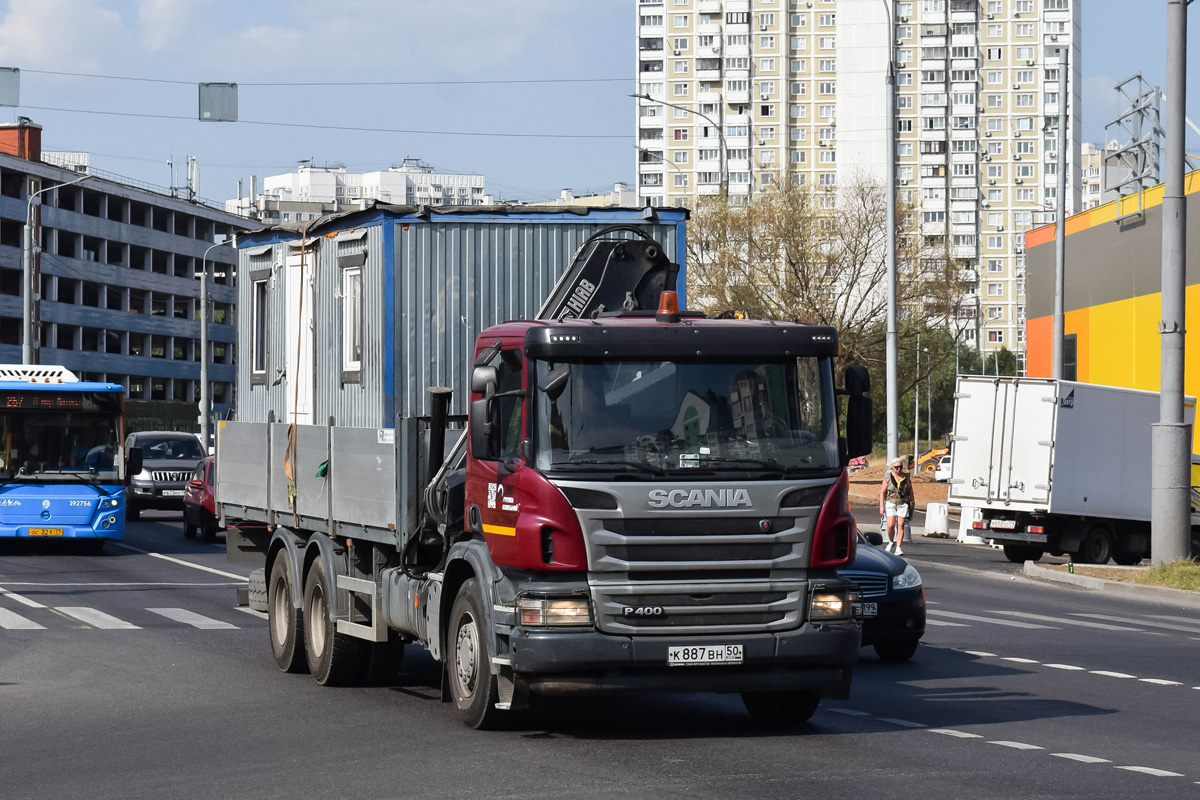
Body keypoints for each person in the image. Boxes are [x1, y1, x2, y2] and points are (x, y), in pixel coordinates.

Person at [879, 457, 914, 556]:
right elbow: (882, 492)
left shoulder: (906, 477)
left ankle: (898, 547)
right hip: (891, 502)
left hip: (903, 503)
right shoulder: (888, 476)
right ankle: (891, 541)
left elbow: (910, 490)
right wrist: (881, 505)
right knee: (890, 525)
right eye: (896, 467)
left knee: (901, 525)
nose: (898, 469)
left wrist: (913, 502)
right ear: (892, 467)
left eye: (900, 467)